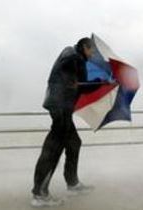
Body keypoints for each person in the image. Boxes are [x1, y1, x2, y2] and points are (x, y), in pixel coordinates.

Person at [31, 37, 100, 207]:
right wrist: (99, 83)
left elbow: (78, 85)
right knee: (52, 150)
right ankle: (39, 194)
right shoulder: (74, 57)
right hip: (60, 107)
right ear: (85, 46)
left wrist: (97, 83)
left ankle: (72, 184)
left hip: (62, 107)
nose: (92, 55)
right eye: (92, 51)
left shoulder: (75, 57)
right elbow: (76, 81)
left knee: (74, 143)